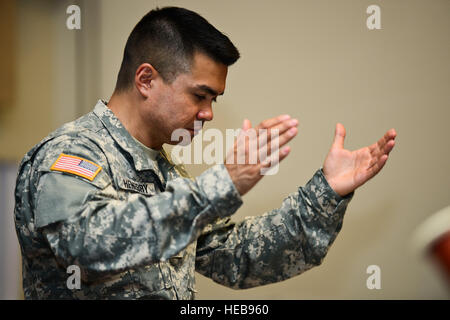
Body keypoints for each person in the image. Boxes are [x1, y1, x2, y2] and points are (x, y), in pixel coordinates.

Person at [14, 6, 396, 299]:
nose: (209, 113)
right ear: (146, 79)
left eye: (214, 99)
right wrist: (220, 185)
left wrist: (327, 192)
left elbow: (239, 257)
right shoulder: (70, 154)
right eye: (200, 95)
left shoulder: (167, 174)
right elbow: (85, 246)